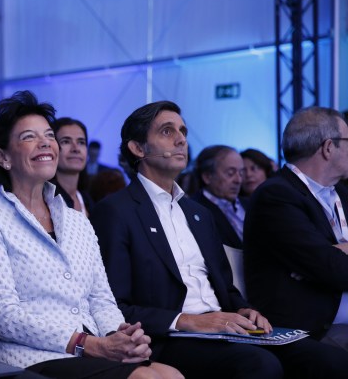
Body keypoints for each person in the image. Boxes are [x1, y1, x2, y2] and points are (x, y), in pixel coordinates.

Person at [91, 100, 348, 379]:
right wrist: (190, 321)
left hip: (223, 328)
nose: (181, 140)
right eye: (167, 131)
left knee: (329, 361)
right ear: (138, 148)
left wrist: (245, 309)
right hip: (170, 336)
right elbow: (116, 305)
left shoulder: (198, 213)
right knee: (259, 365)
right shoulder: (116, 211)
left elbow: (226, 288)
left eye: (183, 132)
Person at [0, 91, 182, 379]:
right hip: (30, 356)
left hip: (93, 345)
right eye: (29, 137)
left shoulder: (77, 221)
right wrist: (88, 344)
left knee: (171, 374)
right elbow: (3, 317)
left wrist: (120, 336)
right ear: (3, 157)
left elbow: (101, 298)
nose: (45, 144)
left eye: (49, 136)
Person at [244, 106, 348, 352]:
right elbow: (334, 269)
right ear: (328, 147)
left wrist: (337, 251)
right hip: (312, 329)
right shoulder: (276, 195)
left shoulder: (341, 193)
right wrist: (333, 255)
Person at [192, 145, 247, 250]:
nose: (238, 180)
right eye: (230, 173)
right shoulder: (194, 210)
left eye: (241, 173)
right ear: (207, 177)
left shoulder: (250, 204)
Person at [50, 117, 93, 216]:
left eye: (81, 142)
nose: (76, 149)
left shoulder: (88, 200)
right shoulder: (44, 200)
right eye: (66, 141)